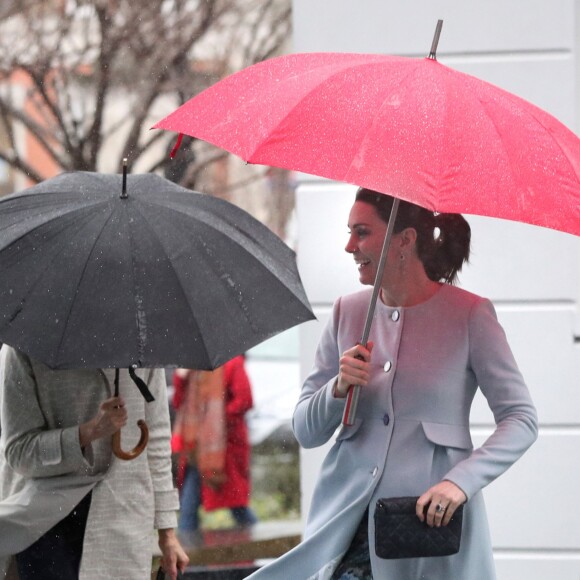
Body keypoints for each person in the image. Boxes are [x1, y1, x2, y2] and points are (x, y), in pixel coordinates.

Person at [246, 188, 538, 579]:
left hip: (427, 530)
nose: (350, 246)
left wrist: (461, 482)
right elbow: (306, 431)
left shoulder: (469, 315)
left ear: (405, 240)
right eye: (349, 232)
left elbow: (521, 419)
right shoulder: (347, 312)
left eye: (362, 232)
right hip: (346, 530)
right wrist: (338, 388)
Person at [0, 345, 189, 580]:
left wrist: (167, 531)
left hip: (123, 520)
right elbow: (19, 451)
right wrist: (86, 433)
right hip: (45, 522)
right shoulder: (25, 347)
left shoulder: (144, 341)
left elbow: (157, 437)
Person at [171, 355, 257, 545]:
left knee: (237, 506)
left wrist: (215, 423)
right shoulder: (193, 369)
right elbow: (179, 403)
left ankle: (261, 555)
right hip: (196, 452)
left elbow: (244, 400)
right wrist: (180, 377)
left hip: (225, 452)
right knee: (189, 507)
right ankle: (187, 565)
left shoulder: (232, 363)